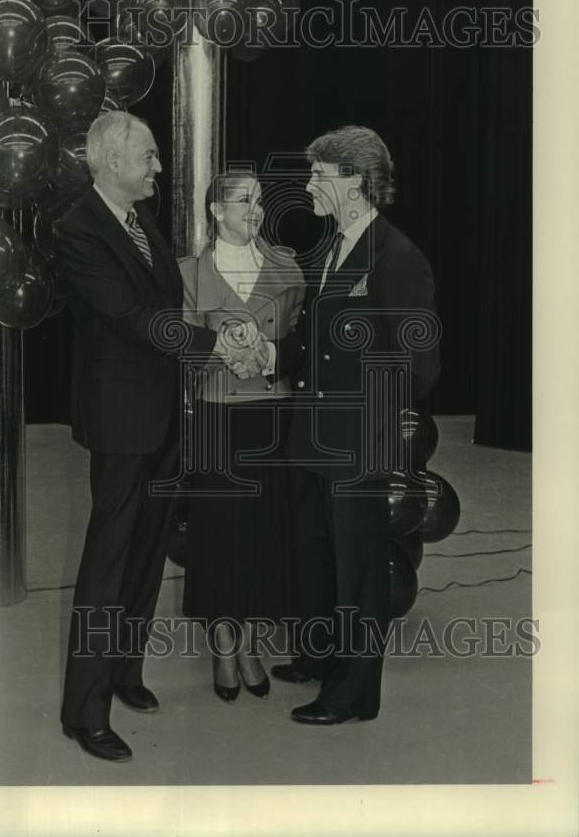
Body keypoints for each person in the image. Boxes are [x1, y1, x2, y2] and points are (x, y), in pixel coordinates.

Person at [55, 112, 262, 762]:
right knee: (108, 559)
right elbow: (131, 316)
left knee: (146, 552)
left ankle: (124, 673)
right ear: (111, 161)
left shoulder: (139, 221)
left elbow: (169, 303)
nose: (157, 167)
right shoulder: (77, 230)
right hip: (121, 421)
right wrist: (216, 347)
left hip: (163, 413)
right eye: (146, 157)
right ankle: (83, 710)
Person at [271, 125, 441, 724]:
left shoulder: (396, 257)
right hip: (314, 437)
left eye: (320, 175)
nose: (309, 185)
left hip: (356, 443)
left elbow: (418, 366)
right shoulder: (333, 248)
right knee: (317, 554)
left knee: (360, 569)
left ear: (356, 182)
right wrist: (270, 356)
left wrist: (368, 428)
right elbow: (313, 342)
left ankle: (356, 691)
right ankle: (321, 658)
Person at [178, 171, 306, 703]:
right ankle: (223, 643)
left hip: (271, 415)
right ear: (215, 211)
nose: (254, 209)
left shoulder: (287, 269)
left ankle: (252, 641)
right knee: (219, 532)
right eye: (242, 200)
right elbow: (180, 342)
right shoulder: (189, 273)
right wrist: (221, 350)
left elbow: (299, 335)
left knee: (263, 528)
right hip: (217, 416)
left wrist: (268, 353)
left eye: (259, 201)